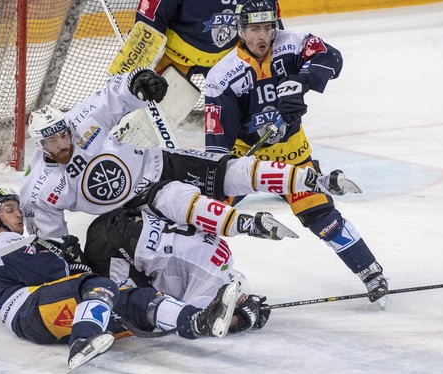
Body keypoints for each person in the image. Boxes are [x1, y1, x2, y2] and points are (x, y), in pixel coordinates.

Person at [20, 68, 352, 244]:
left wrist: (137, 82)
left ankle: (312, 179)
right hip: (134, 207)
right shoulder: (39, 187)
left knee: (228, 170)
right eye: (54, 141)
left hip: (158, 161)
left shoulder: (81, 122)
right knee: (185, 206)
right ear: (40, 146)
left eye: (63, 134)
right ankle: (251, 226)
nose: (64, 143)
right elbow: (50, 237)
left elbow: (113, 95)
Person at [203, 0, 388, 304]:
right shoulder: (221, 77)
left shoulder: (293, 43)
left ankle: (370, 271)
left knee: (320, 215)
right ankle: (204, 281)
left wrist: (300, 81)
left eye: (267, 27)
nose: (262, 36)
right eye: (254, 29)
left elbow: (333, 58)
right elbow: (217, 143)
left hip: (293, 154)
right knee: (208, 211)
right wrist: (242, 149)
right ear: (240, 31)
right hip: (247, 162)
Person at [0, 187, 240, 373]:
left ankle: (198, 320)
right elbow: (49, 271)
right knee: (96, 284)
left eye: (18, 209)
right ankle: (83, 340)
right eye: (9, 210)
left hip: (50, 312)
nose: (18, 214)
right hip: (28, 311)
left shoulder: (15, 242)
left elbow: (57, 271)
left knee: (136, 301)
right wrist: (67, 259)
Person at [83, 206, 271, 334]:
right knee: (139, 310)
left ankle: (78, 263)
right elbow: (203, 322)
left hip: (115, 220)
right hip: (112, 249)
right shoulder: (213, 283)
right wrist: (243, 319)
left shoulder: (223, 253)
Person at [135, 0, 283, 78]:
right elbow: (153, 12)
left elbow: (271, 23)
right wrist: (142, 61)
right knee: (142, 94)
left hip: (228, 59)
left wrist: (284, 68)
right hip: (173, 55)